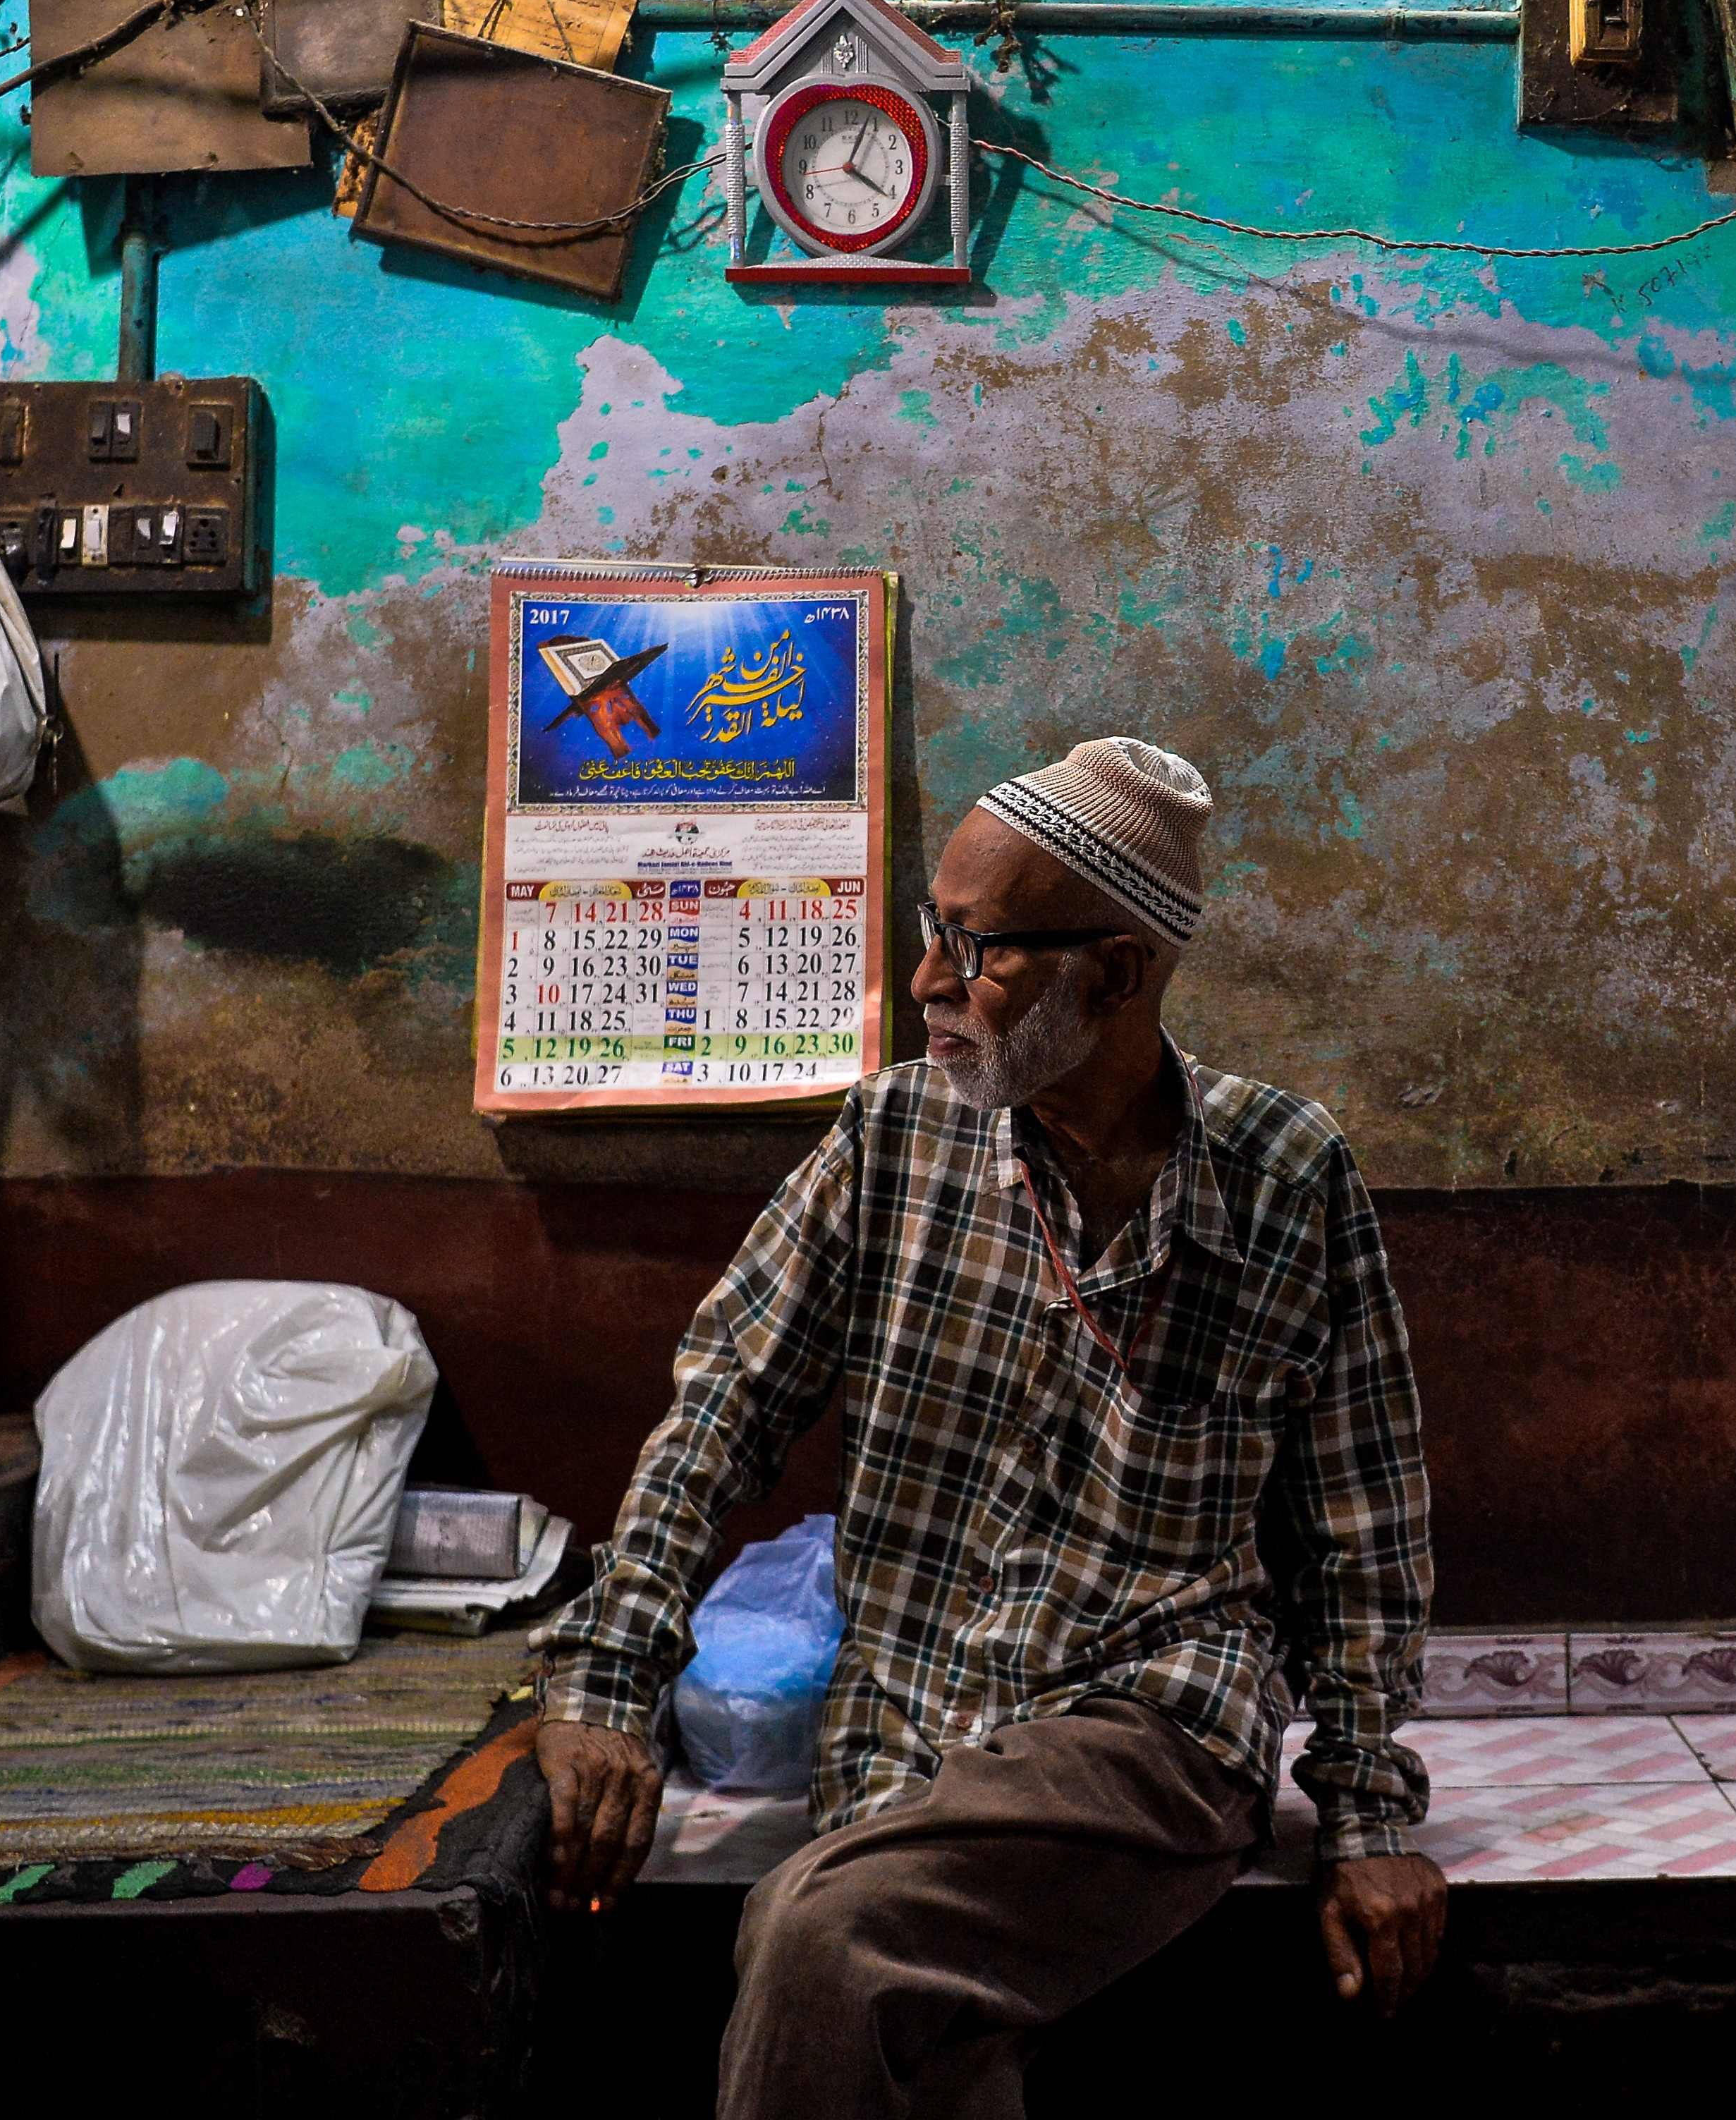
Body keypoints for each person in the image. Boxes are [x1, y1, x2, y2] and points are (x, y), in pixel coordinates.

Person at [532, 736, 1444, 2119]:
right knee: (922, 2041)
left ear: (1119, 969)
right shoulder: (892, 1138)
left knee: (822, 1931)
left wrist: (1367, 1814)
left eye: (980, 948)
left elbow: (1360, 1521)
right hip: (904, 1728)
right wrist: (606, 1686)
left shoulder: (1283, 1174)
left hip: (1143, 1727)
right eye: (929, 932)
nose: (926, 985)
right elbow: (721, 1408)